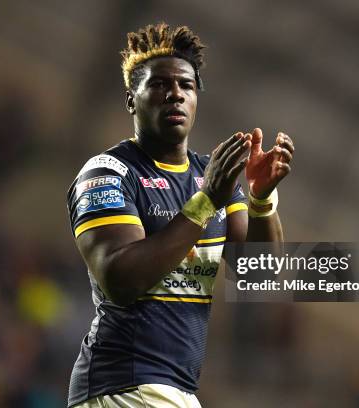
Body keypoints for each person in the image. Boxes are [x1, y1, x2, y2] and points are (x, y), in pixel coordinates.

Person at [66, 22, 294, 408]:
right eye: (158, 85)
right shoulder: (108, 173)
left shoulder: (213, 177)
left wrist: (260, 199)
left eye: (186, 86)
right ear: (130, 100)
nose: (175, 94)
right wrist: (206, 202)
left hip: (177, 390)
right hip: (124, 386)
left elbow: (259, 275)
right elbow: (121, 280)